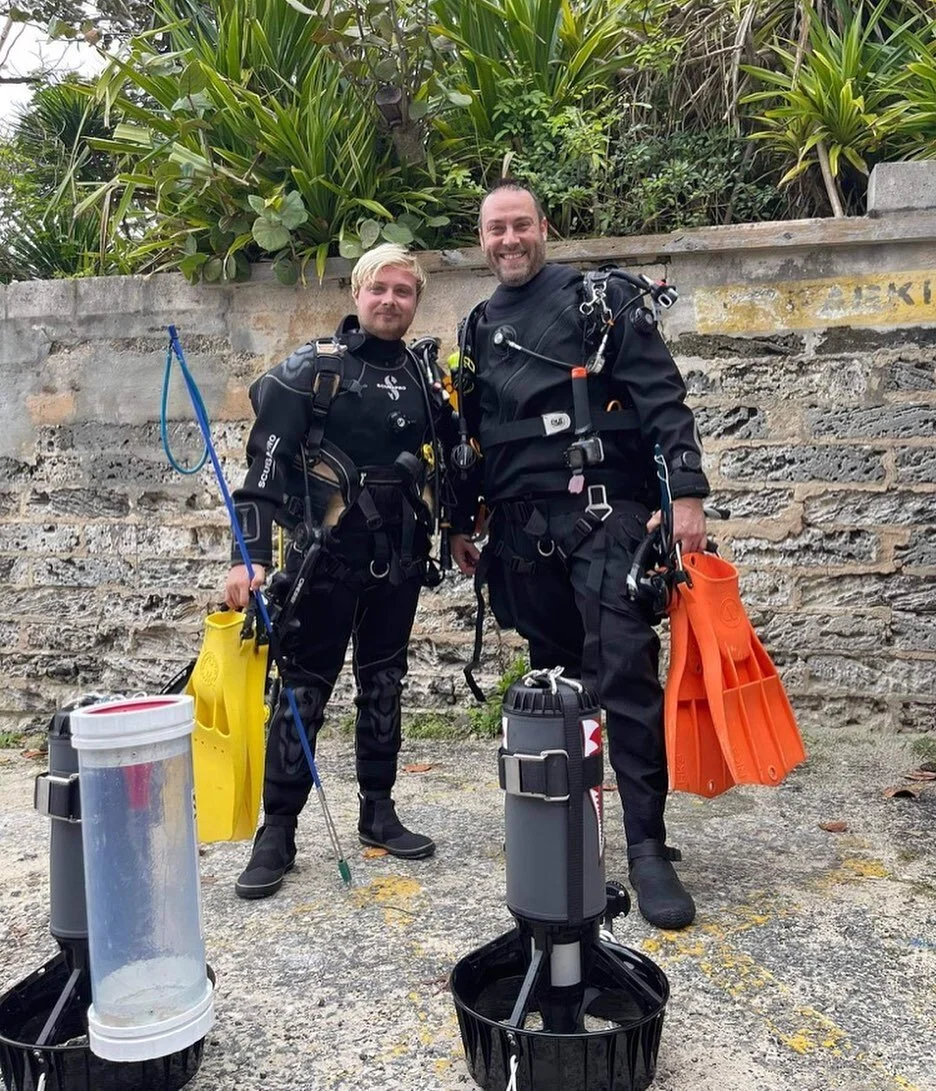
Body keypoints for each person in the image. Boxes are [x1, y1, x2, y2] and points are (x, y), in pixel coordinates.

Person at [449, 181, 709, 930]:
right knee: (555, 686)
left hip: (605, 518)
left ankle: (647, 847)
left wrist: (684, 494)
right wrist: (465, 520)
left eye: (519, 225)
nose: (508, 240)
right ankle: (572, 828)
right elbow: (476, 434)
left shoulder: (601, 299)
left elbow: (664, 400)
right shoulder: (475, 325)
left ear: (543, 227)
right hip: (521, 537)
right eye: (494, 229)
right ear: (481, 238)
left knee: (623, 673)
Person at [226, 243, 462, 899]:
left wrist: (463, 529)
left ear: (415, 301)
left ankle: (378, 811)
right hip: (322, 560)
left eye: (403, 291)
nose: (390, 300)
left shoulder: (424, 377)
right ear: (356, 293)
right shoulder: (313, 371)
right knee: (302, 691)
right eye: (378, 288)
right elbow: (262, 475)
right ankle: (277, 832)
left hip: (400, 559)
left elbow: (454, 461)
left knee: (383, 681)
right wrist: (248, 558)